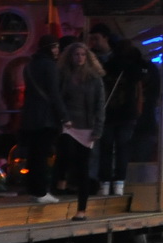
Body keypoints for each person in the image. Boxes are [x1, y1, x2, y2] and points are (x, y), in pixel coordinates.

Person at [89, 24, 151, 196]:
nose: (93, 42)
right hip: (123, 113)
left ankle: (108, 182)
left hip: (111, 112)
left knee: (109, 148)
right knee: (119, 148)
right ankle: (116, 182)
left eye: (96, 38)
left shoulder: (108, 64)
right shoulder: (131, 66)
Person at [57, 40, 106, 219]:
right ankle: (63, 182)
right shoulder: (64, 75)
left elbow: (100, 105)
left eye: (83, 55)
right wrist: (64, 117)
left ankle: (81, 210)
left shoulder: (94, 78)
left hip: (87, 125)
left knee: (83, 168)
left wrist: (98, 129)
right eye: (76, 54)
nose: (80, 58)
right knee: (67, 153)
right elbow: (58, 98)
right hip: (69, 124)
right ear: (70, 57)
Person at [20, 36, 66, 204]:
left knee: (33, 155)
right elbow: (54, 94)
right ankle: (41, 191)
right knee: (43, 155)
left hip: (30, 116)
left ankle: (34, 190)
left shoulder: (30, 65)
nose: (57, 51)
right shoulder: (50, 66)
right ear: (49, 48)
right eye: (55, 47)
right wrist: (64, 116)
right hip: (46, 117)